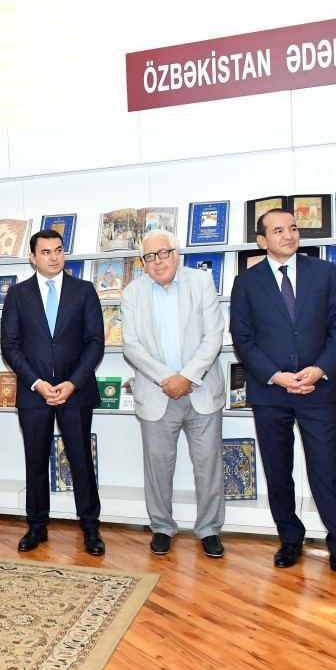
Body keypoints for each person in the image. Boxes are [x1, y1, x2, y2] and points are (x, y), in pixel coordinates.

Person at [230, 209, 336, 586]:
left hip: (316, 389)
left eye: (293, 228)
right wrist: (276, 376)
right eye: (278, 230)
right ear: (262, 241)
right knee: (278, 471)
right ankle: (290, 540)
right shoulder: (246, 282)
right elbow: (243, 338)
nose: (289, 235)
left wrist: (320, 369)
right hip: (270, 392)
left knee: (326, 471)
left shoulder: (324, 272)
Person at [121, 229, 226, 557]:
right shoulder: (132, 292)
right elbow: (131, 346)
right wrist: (168, 378)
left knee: (208, 465)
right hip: (157, 393)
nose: (158, 261)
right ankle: (162, 526)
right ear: (143, 262)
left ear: (176, 254)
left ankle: (209, 529)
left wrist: (187, 377)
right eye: (149, 256)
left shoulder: (201, 282)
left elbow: (214, 336)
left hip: (201, 391)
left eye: (163, 253)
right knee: (158, 466)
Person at [1, 229, 106, 556]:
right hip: (34, 393)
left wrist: (72, 383)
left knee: (80, 460)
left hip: (76, 392)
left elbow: (95, 343)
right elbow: (10, 346)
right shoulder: (17, 294)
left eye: (58, 250)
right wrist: (37, 382)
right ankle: (37, 526)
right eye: (45, 252)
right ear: (33, 257)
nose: (54, 257)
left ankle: (90, 527)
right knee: (35, 459)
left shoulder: (84, 290)